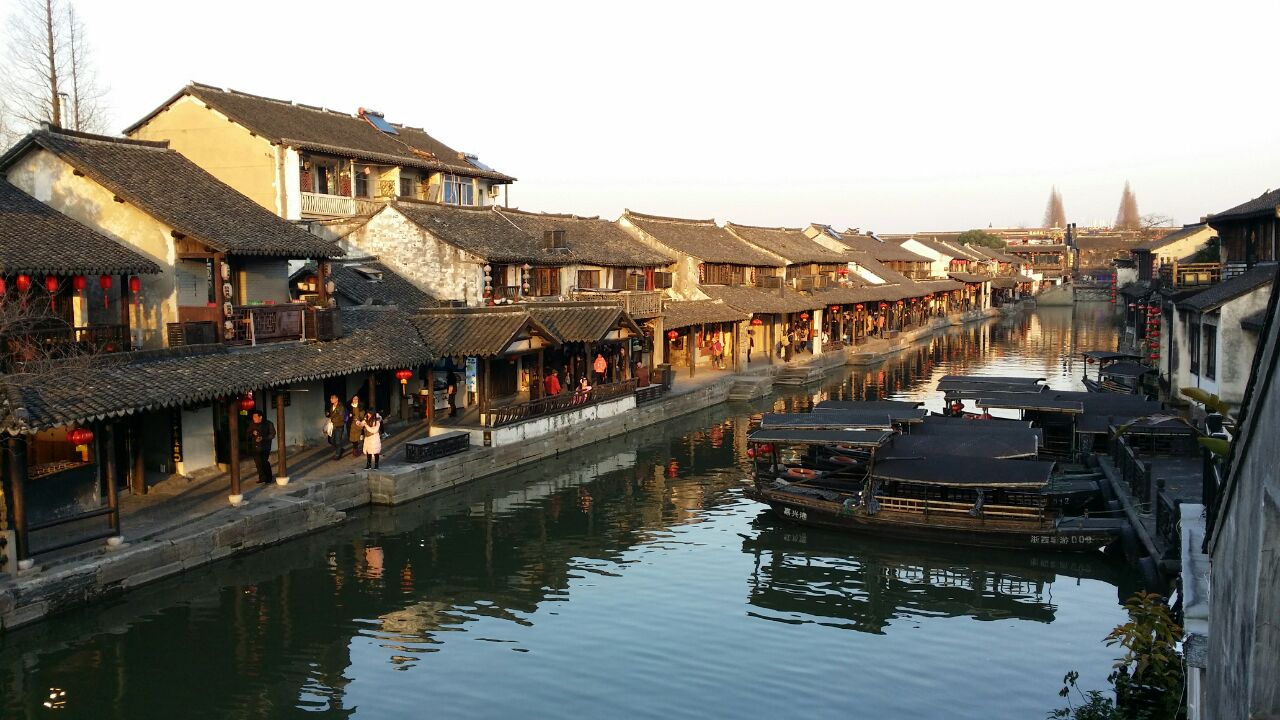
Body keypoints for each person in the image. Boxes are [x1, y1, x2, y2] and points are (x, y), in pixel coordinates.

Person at [247, 410, 275, 484]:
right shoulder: (252, 424)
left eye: (255, 417)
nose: (254, 418)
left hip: (265, 447)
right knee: (258, 463)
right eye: (253, 417)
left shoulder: (268, 423)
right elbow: (247, 434)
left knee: (264, 462)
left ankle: (269, 478)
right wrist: (252, 433)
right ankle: (262, 477)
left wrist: (263, 438)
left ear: (260, 417)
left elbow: (272, 435)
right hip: (255, 447)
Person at [325, 394, 345, 460]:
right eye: (331, 398)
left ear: (337, 399)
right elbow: (331, 415)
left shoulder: (341, 407)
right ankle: (340, 449)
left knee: (337, 441)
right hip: (332, 426)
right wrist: (328, 414)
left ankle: (337, 454)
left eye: (332, 398)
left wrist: (333, 419)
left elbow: (341, 417)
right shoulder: (331, 407)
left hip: (339, 426)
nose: (331, 399)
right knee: (331, 440)